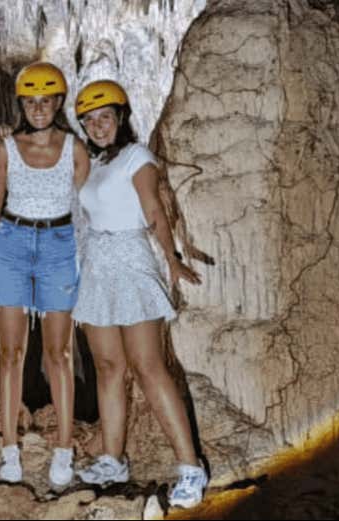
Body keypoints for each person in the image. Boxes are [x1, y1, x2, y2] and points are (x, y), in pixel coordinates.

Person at [71, 80, 208, 508]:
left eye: (105, 117)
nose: (98, 126)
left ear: (120, 118)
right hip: (95, 264)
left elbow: (153, 211)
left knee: (148, 367)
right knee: (108, 366)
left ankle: (190, 467)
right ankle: (112, 457)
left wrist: (171, 259)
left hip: (130, 259)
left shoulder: (137, 156)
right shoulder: (89, 165)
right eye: (90, 121)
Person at [0, 62, 90, 488]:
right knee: (11, 351)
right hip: (10, 241)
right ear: (22, 104)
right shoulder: (6, 148)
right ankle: (9, 447)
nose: (39, 108)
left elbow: (87, 207)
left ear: (59, 103)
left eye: (46, 100)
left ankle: (63, 449)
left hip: (59, 243)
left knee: (58, 353)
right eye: (31, 101)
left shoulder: (74, 148)